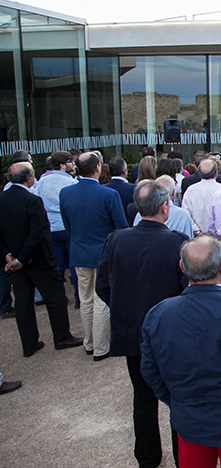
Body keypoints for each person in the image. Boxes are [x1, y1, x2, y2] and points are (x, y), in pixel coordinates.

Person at [141, 236, 221, 468]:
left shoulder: (158, 315)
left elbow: (150, 370)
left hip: (191, 419)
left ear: (182, 267)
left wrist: (176, 400)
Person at [96, 180, 188, 468]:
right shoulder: (175, 243)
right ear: (165, 207)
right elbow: (187, 290)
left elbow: (103, 287)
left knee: (143, 396)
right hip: (168, 334)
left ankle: (147, 458)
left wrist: (126, 311)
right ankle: (178, 457)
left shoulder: (117, 238)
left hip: (134, 330)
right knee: (176, 397)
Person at [0, 162, 83, 357]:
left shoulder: (2, 199)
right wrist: (21, 258)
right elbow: (37, 234)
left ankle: (29, 343)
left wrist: (10, 256)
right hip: (38, 260)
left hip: (15, 262)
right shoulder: (32, 201)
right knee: (55, 298)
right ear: (29, 178)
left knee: (23, 302)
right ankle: (62, 337)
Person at [60, 152, 127, 361]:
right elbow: (121, 227)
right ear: (98, 167)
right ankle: (100, 347)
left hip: (79, 253)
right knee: (99, 300)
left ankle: (90, 343)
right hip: (102, 254)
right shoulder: (107, 195)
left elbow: (68, 225)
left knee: (86, 298)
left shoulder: (65, 193)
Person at [35, 151, 80, 309]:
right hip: (67, 226)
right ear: (62, 165)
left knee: (58, 265)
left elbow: (37, 201)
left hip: (51, 227)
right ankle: (78, 297)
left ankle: (58, 297)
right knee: (73, 263)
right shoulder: (72, 183)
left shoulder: (42, 182)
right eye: (70, 162)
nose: (73, 164)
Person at [181, 159, 221, 236]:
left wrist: (197, 231)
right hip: (220, 236)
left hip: (197, 237)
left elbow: (186, 213)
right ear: (216, 173)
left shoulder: (190, 190)